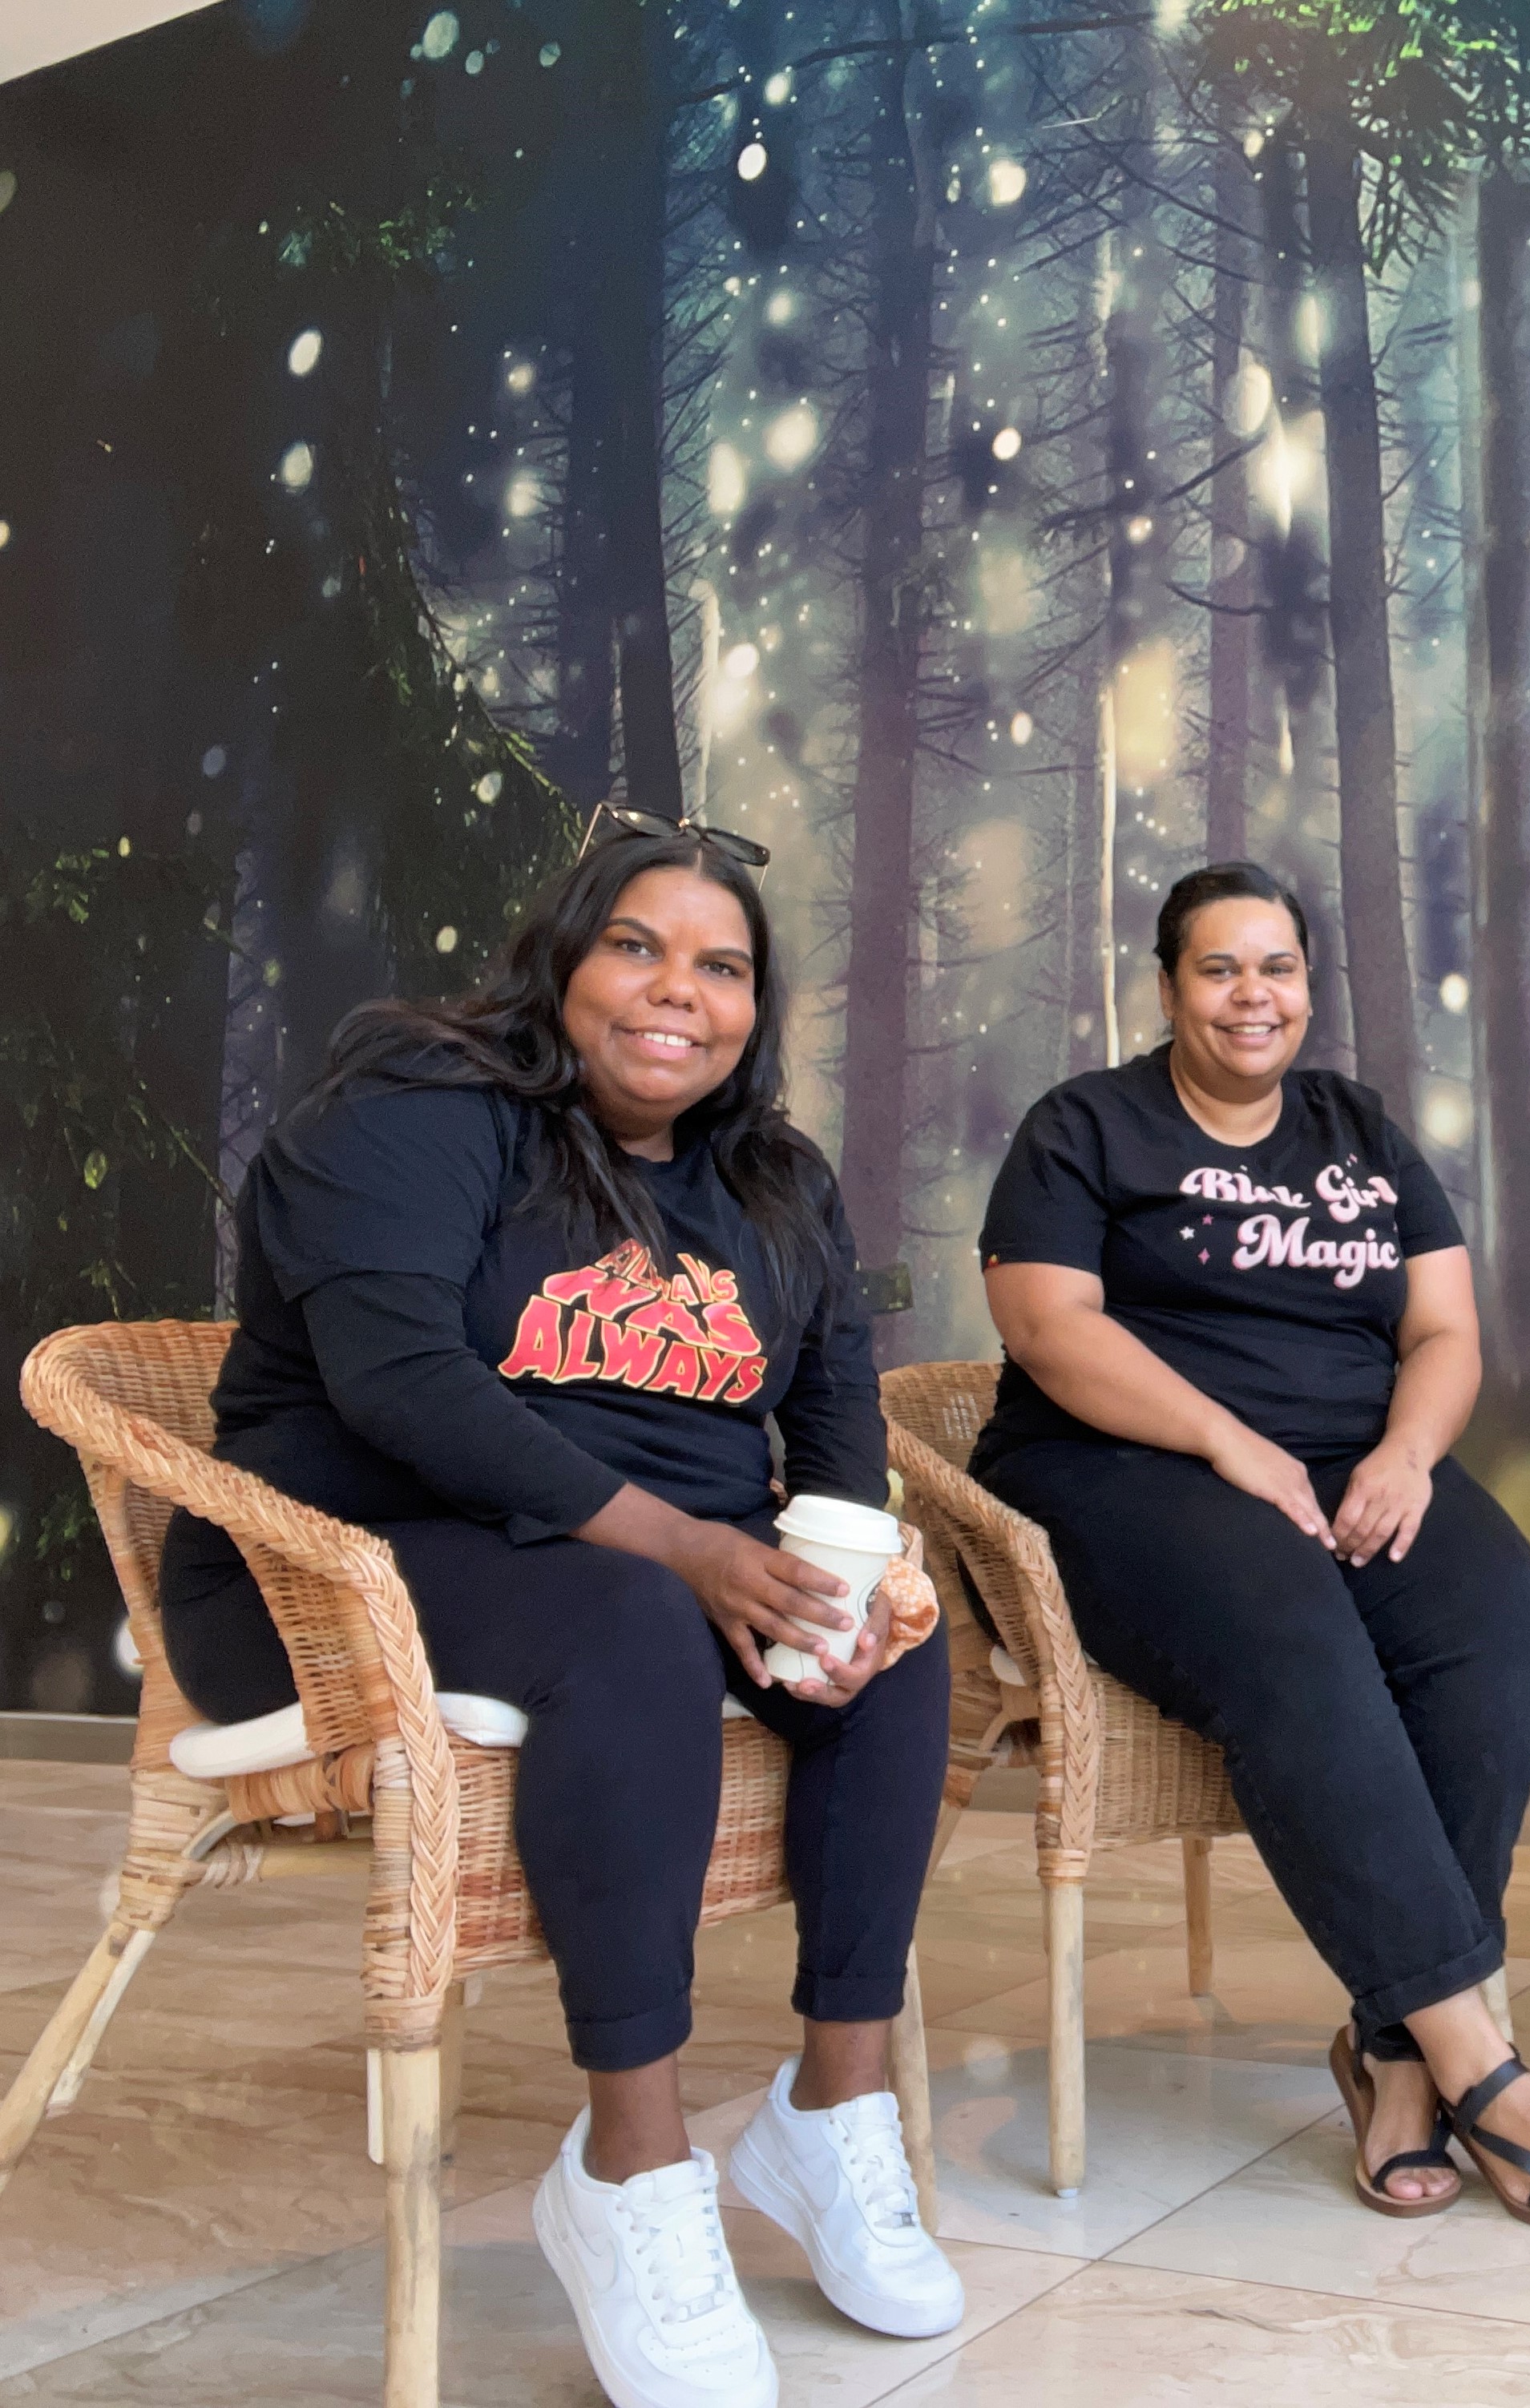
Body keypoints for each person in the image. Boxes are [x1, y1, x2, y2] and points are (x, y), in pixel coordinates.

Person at [157, 815, 962, 2408]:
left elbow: (838, 1419)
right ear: (563, 962)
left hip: (627, 1568)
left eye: (720, 965)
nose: (678, 992)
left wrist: (850, 1583)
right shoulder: (421, 1106)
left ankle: (830, 2115)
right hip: (337, 1564)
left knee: (891, 1657)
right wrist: (691, 1552)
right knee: (632, 1625)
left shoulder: (770, 1181)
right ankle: (631, 2173)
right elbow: (396, 1381)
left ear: (755, 1005)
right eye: (636, 948)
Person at [968, 861, 1530, 2233]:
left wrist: (1403, 1458)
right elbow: (1049, 1329)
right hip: (1121, 1465)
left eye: (1275, 967)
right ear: (1165, 987)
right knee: (1290, 1623)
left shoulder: (1361, 1131)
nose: (1249, 995)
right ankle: (1475, 2060)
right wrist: (1226, 1441)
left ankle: (1388, 2044)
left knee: (1499, 1613)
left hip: (1349, 1461)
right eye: (1218, 968)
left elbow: (1444, 1333)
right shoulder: (1083, 1125)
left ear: (1308, 987)